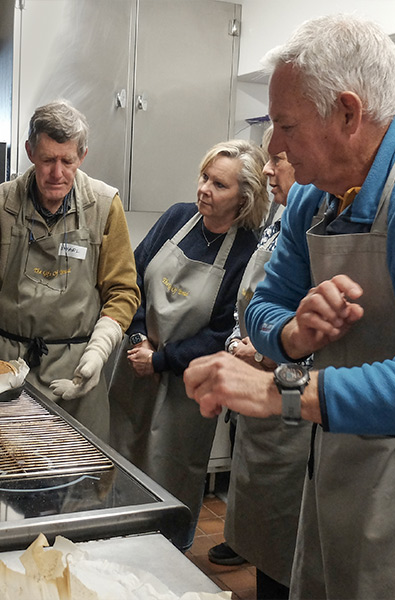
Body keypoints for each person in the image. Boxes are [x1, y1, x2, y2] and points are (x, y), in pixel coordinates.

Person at [184, 14, 395, 600]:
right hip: (331, 465)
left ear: (348, 114)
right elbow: (263, 308)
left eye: (284, 125)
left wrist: (285, 393)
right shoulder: (315, 201)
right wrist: (293, 337)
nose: (273, 147)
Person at [108, 138, 269, 550]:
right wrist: (140, 336)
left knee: (171, 468)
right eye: (204, 177)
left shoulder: (246, 251)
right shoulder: (178, 218)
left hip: (188, 382)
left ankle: (165, 556)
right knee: (121, 456)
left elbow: (222, 331)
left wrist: (162, 359)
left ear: (244, 198)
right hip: (135, 361)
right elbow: (133, 276)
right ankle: (112, 546)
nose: (204, 189)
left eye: (219, 185)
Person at [0, 99, 141, 441]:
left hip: (78, 369)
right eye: (47, 160)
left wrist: (99, 350)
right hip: (6, 371)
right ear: (29, 152)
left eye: (67, 161)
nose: (57, 173)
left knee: (79, 482)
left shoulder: (104, 205)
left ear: (82, 155)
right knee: (6, 471)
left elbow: (123, 291)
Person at [207, 126, 312, 600]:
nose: (268, 168)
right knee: (257, 515)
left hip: (291, 394)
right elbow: (249, 304)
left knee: (286, 528)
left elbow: (322, 338)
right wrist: (236, 345)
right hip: (256, 390)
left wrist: (273, 356)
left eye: (280, 157)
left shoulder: (320, 225)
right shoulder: (280, 222)